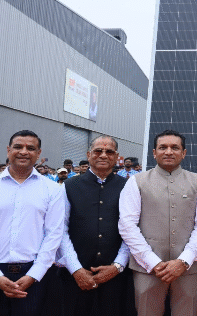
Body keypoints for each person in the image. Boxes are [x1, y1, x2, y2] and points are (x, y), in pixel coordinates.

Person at [0, 130, 64, 316]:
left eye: (31, 148)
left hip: (36, 275)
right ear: (8, 150)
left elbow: (53, 235)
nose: (24, 152)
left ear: (38, 153)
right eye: (18, 147)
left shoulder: (52, 190)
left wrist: (33, 275)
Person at [119, 130, 197, 316]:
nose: (169, 152)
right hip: (147, 268)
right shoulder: (137, 181)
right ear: (154, 152)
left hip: (188, 267)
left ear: (183, 153)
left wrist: (184, 261)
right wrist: (152, 262)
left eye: (175, 147)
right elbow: (127, 225)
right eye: (163, 147)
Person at [57, 135, 130, 315]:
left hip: (116, 276)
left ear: (116, 157)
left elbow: (132, 230)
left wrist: (117, 266)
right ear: (89, 155)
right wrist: (76, 269)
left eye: (109, 152)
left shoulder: (128, 187)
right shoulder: (69, 186)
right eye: (98, 151)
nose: (103, 155)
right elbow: (60, 230)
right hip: (74, 275)